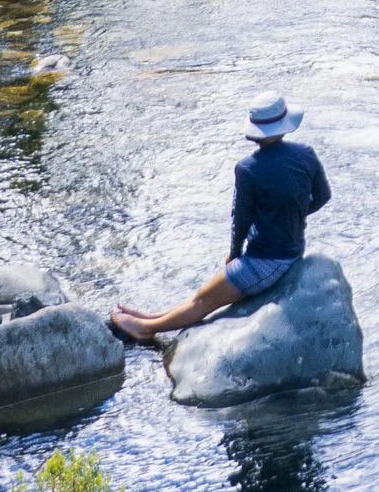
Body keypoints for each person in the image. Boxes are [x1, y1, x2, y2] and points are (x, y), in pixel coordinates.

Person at [111, 93, 330, 344]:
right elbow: (323, 197)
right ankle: (154, 316)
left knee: (203, 301)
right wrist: (289, 216)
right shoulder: (306, 153)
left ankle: (146, 328)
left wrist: (234, 254)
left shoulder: (249, 167)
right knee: (205, 294)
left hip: (265, 261)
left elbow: (241, 219)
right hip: (291, 251)